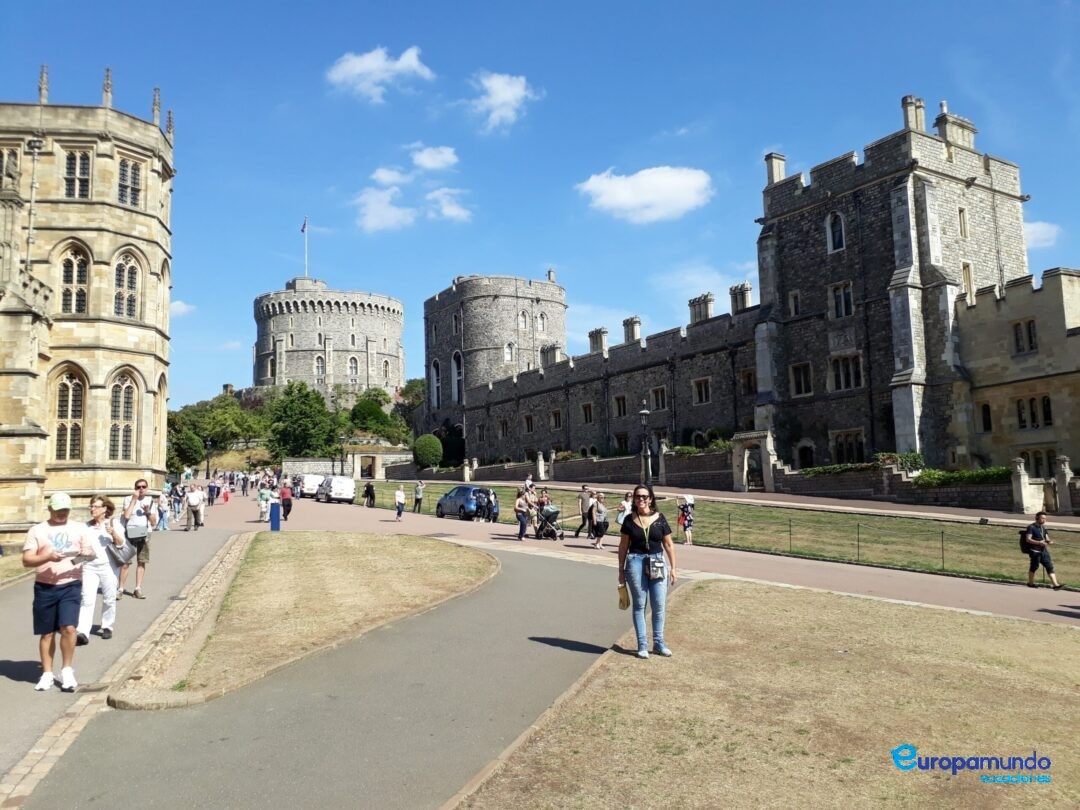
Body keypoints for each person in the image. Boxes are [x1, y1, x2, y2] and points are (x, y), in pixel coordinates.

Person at [23, 492, 94, 692]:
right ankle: (46, 673)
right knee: (46, 633)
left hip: (70, 584)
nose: (62, 514)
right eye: (58, 510)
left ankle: (67, 670)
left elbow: (89, 554)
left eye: (65, 510)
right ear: (50, 509)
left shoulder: (79, 528)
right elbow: (27, 560)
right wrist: (47, 557)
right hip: (45, 586)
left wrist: (84, 556)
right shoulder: (37, 530)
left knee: (69, 628)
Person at [618, 485, 677, 659]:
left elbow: (668, 544)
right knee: (639, 605)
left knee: (659, 604)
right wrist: (621, 570)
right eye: (638, 497)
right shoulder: (629, 520)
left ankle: (658, 643)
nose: (641, 499)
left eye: (645, 496)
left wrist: (673, 568)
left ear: (651, 499)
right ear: (634, 499)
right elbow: (623, 547)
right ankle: (642, 645)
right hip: (635, 561)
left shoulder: (660, 518)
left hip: (657, 561)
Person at [77, 495, 124, 644]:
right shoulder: (85, 527)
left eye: (95, 506)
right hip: (89, 566)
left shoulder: (113, 523)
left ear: (105, 509)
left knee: (109, 598)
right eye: (91, 506)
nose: (92, 509)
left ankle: (107, 626)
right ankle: (83, 632)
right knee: (86, 599)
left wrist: (113, 534)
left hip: (108, 567)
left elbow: (121, 544)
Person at [117, 479, 157, 600]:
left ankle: (137, 588)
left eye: (143, 487)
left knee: (141, 561)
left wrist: (147, 512)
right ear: (135, 488)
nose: (141, 489)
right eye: (138, 487)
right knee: (125, 563)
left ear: (147, 488)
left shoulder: (150, 501)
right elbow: (127, 515)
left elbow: (154, 523)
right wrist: (134, 500)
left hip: (145, 533)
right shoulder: (128, 499)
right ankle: (120, 589)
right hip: (130, 533)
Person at [1024, 511, 1064, 590]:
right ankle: (1030, 583)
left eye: (1045, 518)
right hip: (1034, 551)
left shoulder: (1043, 528)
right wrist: (1039, 542)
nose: (1044, 520)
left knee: (1049, 566)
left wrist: (1049, 541)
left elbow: (1046, 538)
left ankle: (1055, 585)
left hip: (1043, 551)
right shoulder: (1031, 527)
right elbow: (1028, 539)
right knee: (1034, 567)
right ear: (1036, 518)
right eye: (1042, 518)